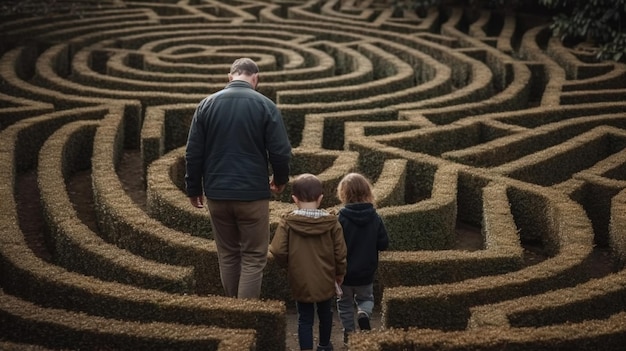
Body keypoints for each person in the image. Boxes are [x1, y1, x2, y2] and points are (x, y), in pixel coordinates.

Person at [185, 57, 292, 299]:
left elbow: (193, 153)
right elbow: (280, 151)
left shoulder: (206, 105)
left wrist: (193, 189)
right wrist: (281, 179)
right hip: (252, 194)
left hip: (216, 193)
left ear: (230, 76)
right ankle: (245, 313)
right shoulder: (265, 105)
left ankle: (234, 312)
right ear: (256, 78)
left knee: (228, 254)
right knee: (254, 257)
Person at [269, 173, 347, 351]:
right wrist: (340, 273)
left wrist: (288, 266)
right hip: (326, 277)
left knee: (304, 318)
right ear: (320, 198)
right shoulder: (332, 222)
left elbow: (278, 250)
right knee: (326, 313)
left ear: (294, 199)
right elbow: (340, 253)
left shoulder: (287, 222)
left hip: (300, 277)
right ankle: (324, 345)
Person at [335, 172, 389, 345]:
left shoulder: (341, 217)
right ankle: (363, 313)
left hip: (344, 274)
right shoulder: (374, 216)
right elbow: (383, 243)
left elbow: (334, 245)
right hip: (366, 271)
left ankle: (348, 334)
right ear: (367, 191)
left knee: (344, 304)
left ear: (344, 193)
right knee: (366, 299)